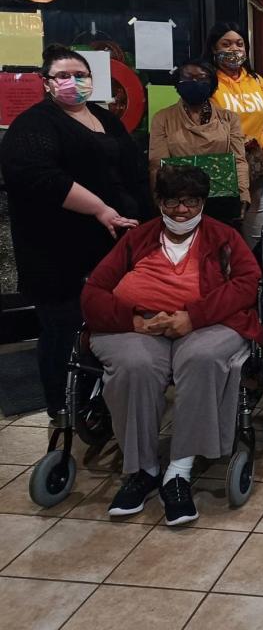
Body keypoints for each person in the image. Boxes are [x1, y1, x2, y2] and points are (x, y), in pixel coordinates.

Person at [80, 165, 261, 526]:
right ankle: (142, 469)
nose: (183, 210)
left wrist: (192, 317)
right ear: (159, 201)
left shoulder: (224, 237)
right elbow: (93, 293)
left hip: (207, 322)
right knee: (135, 365)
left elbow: (247, 282)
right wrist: (132, 320)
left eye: (192, 202)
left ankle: (178, 470)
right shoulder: (137, 239)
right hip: (137, 324)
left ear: (203, 203)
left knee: (202, 357)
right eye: (174, 201)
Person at [0, 44, 150, 418]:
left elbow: (131, 171)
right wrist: (100, 209)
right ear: (46, 83)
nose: (72, 83)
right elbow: (38, 177)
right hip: (57, 250)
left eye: (80, 75)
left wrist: (147, 224)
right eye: (62, 76)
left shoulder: (105, 118)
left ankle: (102, 398)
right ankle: (63, 406)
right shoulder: (34, 124)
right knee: (63, 328)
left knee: (109, 325)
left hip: (114, 246)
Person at [203, 22, 263, 250]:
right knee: (224, 233)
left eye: (239, 44)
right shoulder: (207, 82)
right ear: (214, 49)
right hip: (223, 168)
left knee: (258, 234)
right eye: (226, 44)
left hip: (256, 167)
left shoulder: (256, 81)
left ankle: (256, 279)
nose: (234, 50)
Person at [149, 58, 249, 225]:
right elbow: (156, 165)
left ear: (212, 83)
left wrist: (243, 194)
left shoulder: (229, 118)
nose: (194, 82)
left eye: (202, 78)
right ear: (177, 82)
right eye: (188, 77)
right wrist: (158, 200)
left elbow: (238, 160)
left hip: (222, 200)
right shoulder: (162, 118)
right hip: (180, 203)